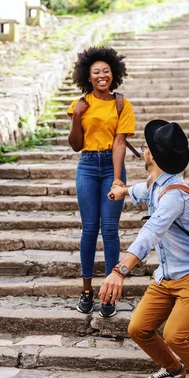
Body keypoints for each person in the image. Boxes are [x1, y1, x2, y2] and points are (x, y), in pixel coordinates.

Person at [101, 119, 189, 378]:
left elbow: (150, 232)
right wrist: (122, 191)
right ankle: (173, 368)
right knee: (138, 329)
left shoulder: (175, 196)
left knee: (175, 335)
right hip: (167, 277)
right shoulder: (156, 184)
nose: (143, 150)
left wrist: (120, 270)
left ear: (151, 155)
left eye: (145, 147)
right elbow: (141, 190)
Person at [67, 46, 135, 318]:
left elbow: (120, 142)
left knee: (109, 230)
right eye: (96, 72)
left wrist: (117, 178)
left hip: (110, 166)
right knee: (89, 229)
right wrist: (76, 116)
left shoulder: (121, 103)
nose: (102, 76)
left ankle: (109, 293)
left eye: (106, 71)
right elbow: (75, 145)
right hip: (86, 165)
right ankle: (86, 290)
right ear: (88, 76)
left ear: (113, 74)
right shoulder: (80, 104)